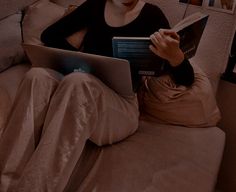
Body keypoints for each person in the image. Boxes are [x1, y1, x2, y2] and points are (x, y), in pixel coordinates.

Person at [0, 0, 194, 191]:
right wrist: (80, 57)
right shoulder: (95, 5)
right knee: (37, 76)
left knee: (79, 82)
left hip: (121, 106)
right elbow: (50, 35)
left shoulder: (152, 15)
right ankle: (5, 182)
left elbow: (186, 78)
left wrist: (175, 56)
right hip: (79, 90)